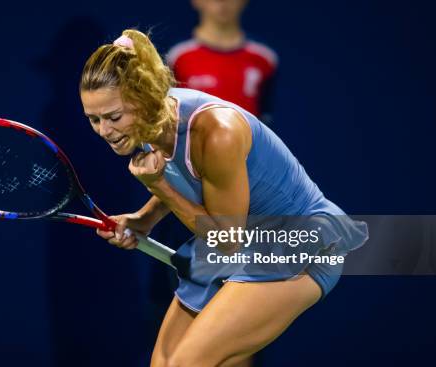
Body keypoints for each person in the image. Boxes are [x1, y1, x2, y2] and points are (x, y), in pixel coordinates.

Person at [79, 29, 367, 366]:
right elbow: (191, 178)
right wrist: (144, 219)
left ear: (143, 98)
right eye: (93, 119)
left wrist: (159, 187)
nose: (104, 131)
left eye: (113, 117)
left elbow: (227, 240)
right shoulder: (148, 120)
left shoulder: (217, 133)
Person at [167, 0, 277, 123]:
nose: (223, 2)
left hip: (249, 141)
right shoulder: (176, 57)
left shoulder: (264, 59)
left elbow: (266, 118)